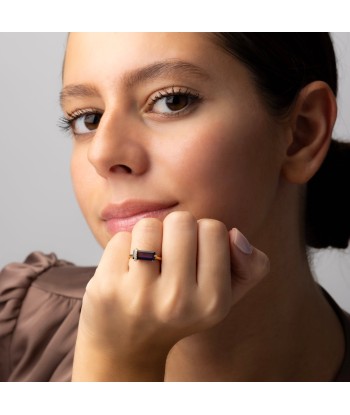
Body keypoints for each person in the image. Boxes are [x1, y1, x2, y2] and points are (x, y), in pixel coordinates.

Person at [1, 32, 350, 382]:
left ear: (304, 132)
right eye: (88, 119)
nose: (102, 153)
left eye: (172, 101)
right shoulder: (18, 326)